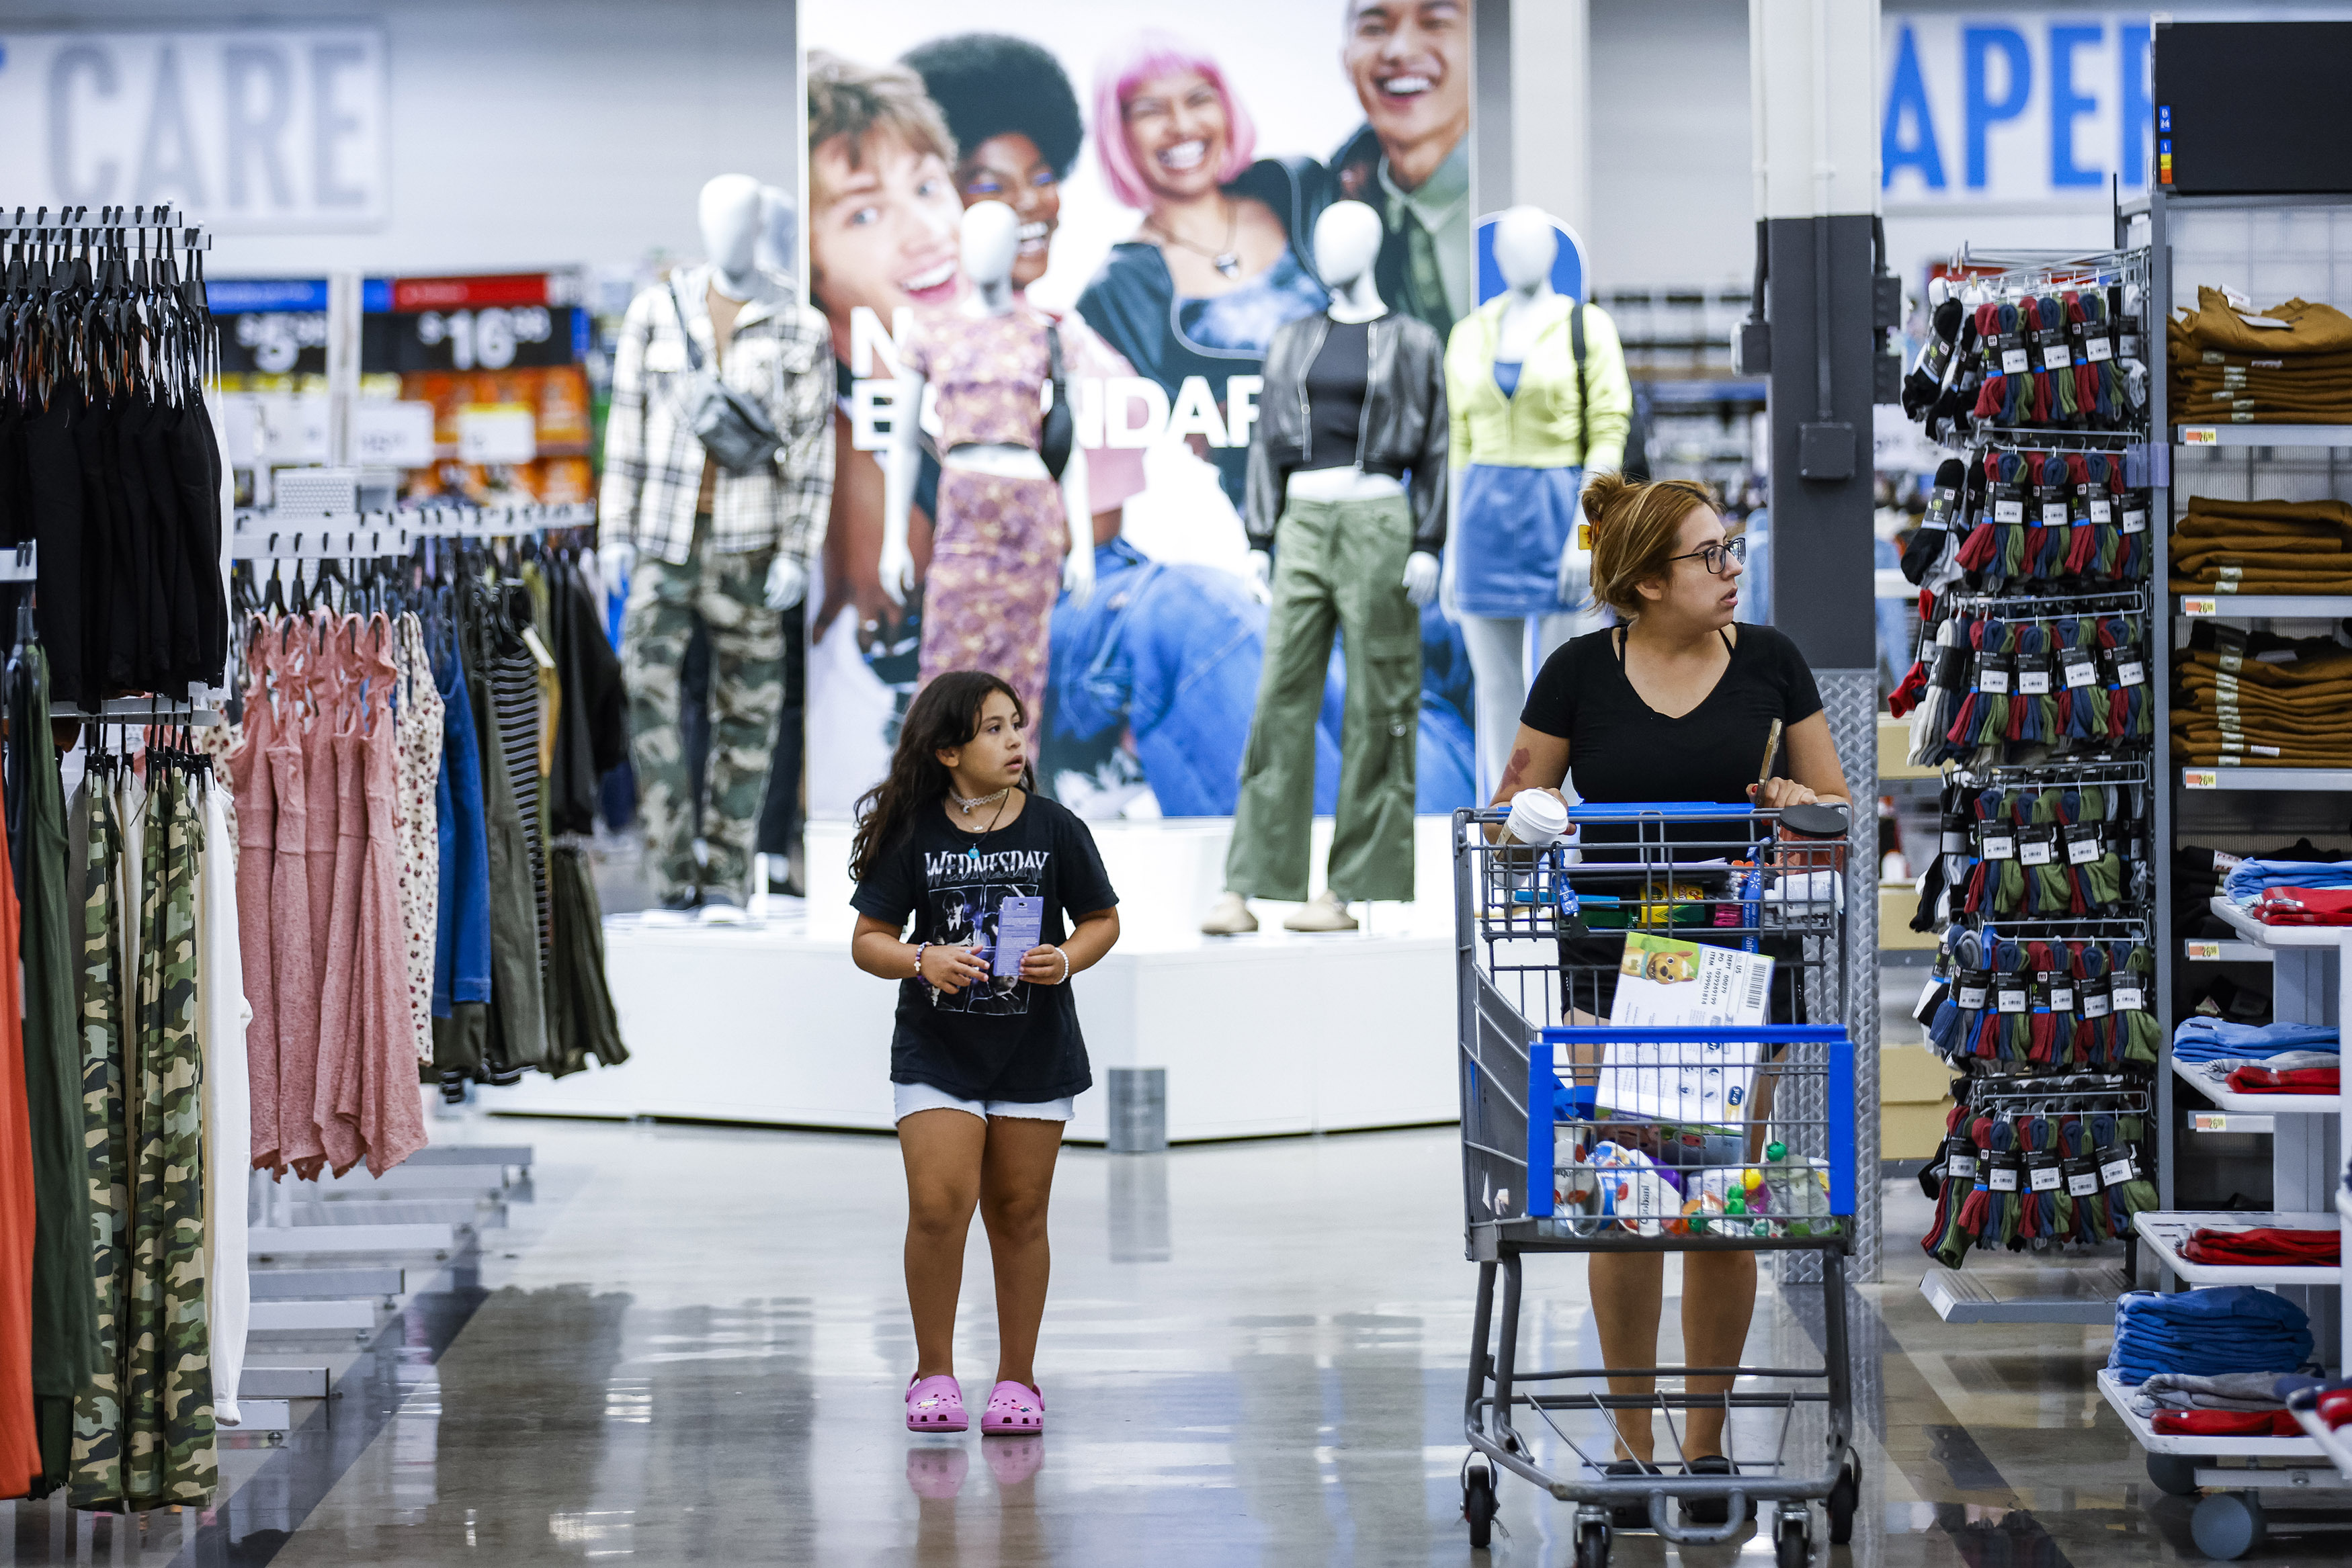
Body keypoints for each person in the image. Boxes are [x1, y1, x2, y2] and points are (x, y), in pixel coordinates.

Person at [1486, 473, 1851, 1524]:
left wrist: (1795, 798)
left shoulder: (1772, 663)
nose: (1732, 569)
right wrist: (1533, 816)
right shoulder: (1575, 673)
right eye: (1710, 555)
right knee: (1629, 1191)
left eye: (1732, 548)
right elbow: (1511, 815)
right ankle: (1630, 1441)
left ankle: (1704, 1446)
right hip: (1613, 963)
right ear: (1647, 581)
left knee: (1722, 1203)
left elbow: (1832, 802)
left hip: (1741, 962)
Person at [848, 670, 1122, 1437]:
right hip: (936, 1049)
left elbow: (1101, 920)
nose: (1013, 741)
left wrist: (1065, 957)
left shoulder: (1056, 827)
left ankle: (1017, 1382)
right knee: (938, 1208)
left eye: (1015, 725)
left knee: (1018, 1211)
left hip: (1034, 1048)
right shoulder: (913, 834)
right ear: (945, 752)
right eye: (993, 729)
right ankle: (932, 1373)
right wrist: (920, 960)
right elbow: (867, 941)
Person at [901, 32, 1148, 550]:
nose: (1029, 203)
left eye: (1042, 176)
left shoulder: (1065, 332)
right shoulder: (925, 330)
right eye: (991, 187)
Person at [1077, 30, 1331, 510]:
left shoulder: (1300, 188)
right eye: (1151, 110)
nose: (1181, 125)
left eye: (1198, 99)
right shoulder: (1115, 292)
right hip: (1263, 516)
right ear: (1119, 131)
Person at [806, 50, 967, 682]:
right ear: (809, 259)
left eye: (928, 186)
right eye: (864, 213)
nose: (927, 231)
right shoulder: (834, 447)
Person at [1330, 0, 1472, 340]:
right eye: (1375, 28)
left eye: (1435, 22)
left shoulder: (1518, 194)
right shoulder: (1329, 201)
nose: (1399, 50)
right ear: (1346, 59)